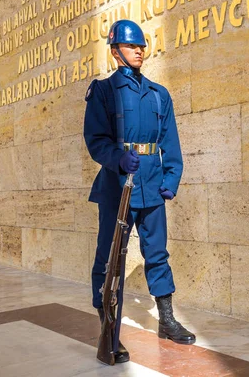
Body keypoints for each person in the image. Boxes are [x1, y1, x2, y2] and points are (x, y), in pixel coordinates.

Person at [83, 19, 195, 363]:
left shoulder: (159, 95)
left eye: (142, 47)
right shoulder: (102, 91)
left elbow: (170, 142)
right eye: (132, 47)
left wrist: (171, 178)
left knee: (157, 253)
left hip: (151, 185)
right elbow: (96, 140)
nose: (139, 52)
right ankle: (107, 322)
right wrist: (118, 159)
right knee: (109, 256)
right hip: (117, 187)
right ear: (116, 52)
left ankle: (166, 319)